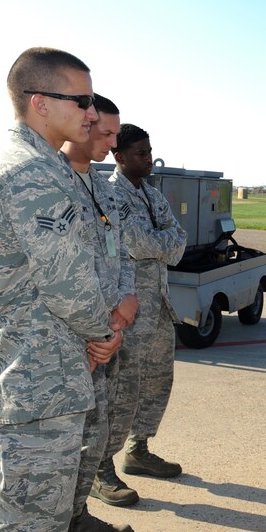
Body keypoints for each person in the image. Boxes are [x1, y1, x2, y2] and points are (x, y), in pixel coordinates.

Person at [0, 47, 122, 532]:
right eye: (83, 100)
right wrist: (102, 333)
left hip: (28, 376)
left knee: (22, 524)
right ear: (40, 102)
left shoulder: (20, 164)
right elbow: (68, 282)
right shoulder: (31, 174)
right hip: (36, 382)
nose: (92, 113)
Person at [92, 123, 187, 506]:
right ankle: (101, 468)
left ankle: (138, 449)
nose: (148, 159)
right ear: (119, 157)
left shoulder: (150, 192)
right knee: (121, 391)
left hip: (159, 306)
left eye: (149, 152)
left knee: (158, 381)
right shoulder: (112, 194)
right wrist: (163, 243)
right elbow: (133, 242)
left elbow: (179, 240)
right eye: (140, 154)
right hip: (128, 310)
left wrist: (161, 243)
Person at [60, 94, 137, 532]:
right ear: (81, 123)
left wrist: (126, 301)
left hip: (106, 337)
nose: (112, 144)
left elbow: (121, 250)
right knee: (58, 450)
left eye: (114, 134)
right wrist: (99, 326)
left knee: (95, 438)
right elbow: (59, 273)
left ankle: (74, 518)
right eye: (104, 133)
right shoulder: (52, 183)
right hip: (71, 341)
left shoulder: (104, 186)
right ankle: (52, 530)